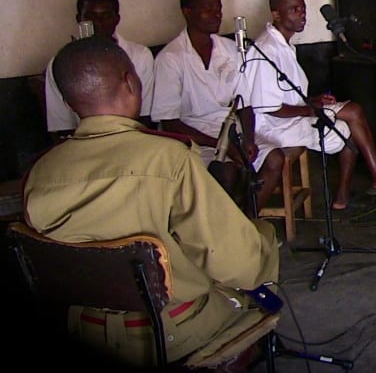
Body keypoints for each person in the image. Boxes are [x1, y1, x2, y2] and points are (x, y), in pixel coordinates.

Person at [22, 35, 280, 370]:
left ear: (69, 104)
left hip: (83, 327)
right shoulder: (169, 158)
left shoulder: (41, 171)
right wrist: (260, 248)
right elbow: (236, 264)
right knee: (261, 242)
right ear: (131, 82)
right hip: (172, 330)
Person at [244, 0, 376, 210]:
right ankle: (370, 179)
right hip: (275, 127)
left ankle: (353, 188)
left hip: (295, 114)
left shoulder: (283, 45)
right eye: (294, 10)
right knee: (352, 116)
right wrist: (308, 109)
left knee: (350, 122)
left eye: (303, 9)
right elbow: (268, 107)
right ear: (276, 14)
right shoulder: (266, 49)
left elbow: (286, 92)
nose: (302, 15)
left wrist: (312, 100)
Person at [151, 0, 283, 212]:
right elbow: (169, 122)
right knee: (226, 171)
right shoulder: (170, 58)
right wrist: (220, 145)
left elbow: (245, 104)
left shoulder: (230, 49)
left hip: (232, 131)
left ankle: (246, 224)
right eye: (208, 8)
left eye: (219, 8)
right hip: (194, 138)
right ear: (187, 12)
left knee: (274, 159)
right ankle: (224, 232)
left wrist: (248, 140)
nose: (217, 15)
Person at [43, 0, 155, 138]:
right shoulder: (61, 63)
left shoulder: (140, 56)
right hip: (85, 146)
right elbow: (62, 126)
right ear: (79, 19)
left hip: (132, 142)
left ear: (117, 19)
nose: (99, 23)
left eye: (106, 16)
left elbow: (145, 118)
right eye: (90, 16)